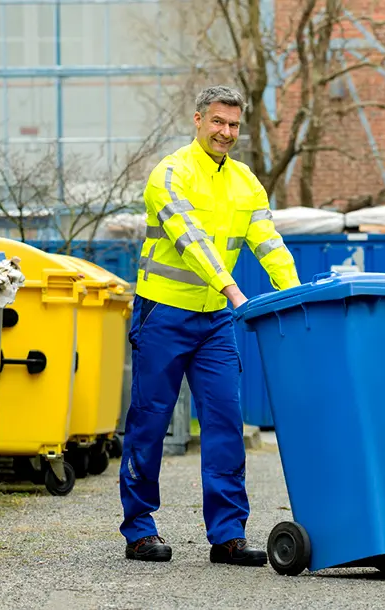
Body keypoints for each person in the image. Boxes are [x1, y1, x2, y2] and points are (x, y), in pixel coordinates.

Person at [119, 85, 301, 566]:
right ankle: (139, 530)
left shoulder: (246, 182)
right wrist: (232, 289)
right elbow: (191, 241)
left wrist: (296, 296)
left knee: (224, 421)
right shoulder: (170, 174)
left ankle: (228, 535)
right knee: (150, 422)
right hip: (164, 314)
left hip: (215, 322)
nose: (226, 132)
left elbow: (269, 243)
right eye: (218, 122)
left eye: (234, 125)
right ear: (198, 120)